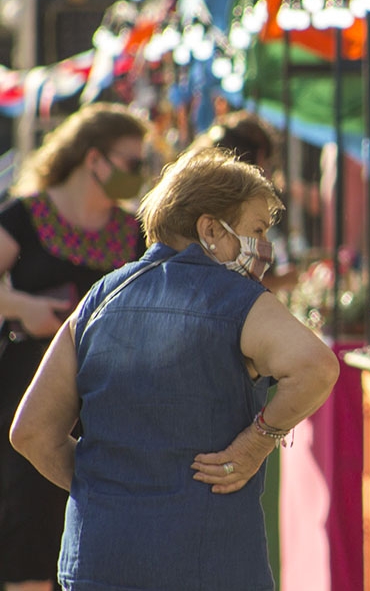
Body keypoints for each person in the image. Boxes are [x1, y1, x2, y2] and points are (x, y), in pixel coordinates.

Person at [9, 147, 340, 590]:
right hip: (206, 564)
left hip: (97, 559)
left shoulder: (99, 297)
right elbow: (317, 367)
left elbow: (31, 432)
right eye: (258, 229)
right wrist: (258, 440)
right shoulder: (235, 297)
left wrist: (105, 489)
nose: (265, 248)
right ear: (210, 229)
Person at [0, 102, 149, 591]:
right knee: (27, 531)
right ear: (94, 159)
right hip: (26, 397)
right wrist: (23, 306)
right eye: (132, 162)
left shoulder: (136, 234)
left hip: (107, 404)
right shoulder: (25, 217)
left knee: (96, 534)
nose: (139, 174)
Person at [189, 110, 297, 292]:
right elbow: (228, 288)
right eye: (258, 231)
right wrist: (282, 281)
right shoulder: (222, 206)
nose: (268, 176)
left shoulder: (202, 188)